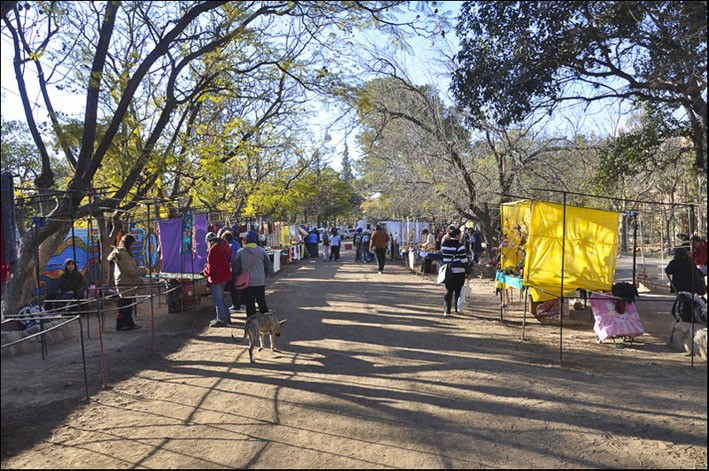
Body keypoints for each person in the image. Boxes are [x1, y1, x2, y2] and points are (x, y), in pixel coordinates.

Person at [106, 234, 146, 331]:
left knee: (126, 305)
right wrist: (141, 270)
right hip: (125, 282)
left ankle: (128, 323)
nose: (133, 246)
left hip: (126, 281)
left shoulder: (124, 253)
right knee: (125, 306)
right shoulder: (123, 254)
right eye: (132, 244)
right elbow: (130, 270)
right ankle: (123, 324)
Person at [233, 229, 273, 318]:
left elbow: (235, 267)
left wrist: (238, 275)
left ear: (246, 240)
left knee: (250, 303)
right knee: (261, 301)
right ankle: (267, 321)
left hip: (247, 282)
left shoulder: (240, 252)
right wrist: (265, 275)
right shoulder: (262, 251)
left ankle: (252, 322)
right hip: (260, 280)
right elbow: (268, 265)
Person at [203, 232, 232, 328]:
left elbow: (212, 267)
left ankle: (221, 319)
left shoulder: (214, 249)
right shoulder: (224, 246)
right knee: (222, 298)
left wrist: (205, 272)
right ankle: (226, 317)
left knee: (218, 299)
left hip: (217, 277)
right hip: (225, 275)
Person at [441, 226, 472, 316]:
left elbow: (444, 257)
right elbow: (464, 261)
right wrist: (468, 272)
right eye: (460, 235)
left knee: (448, 291)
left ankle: (447, 310)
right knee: (458, 291)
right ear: (457, 235)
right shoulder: (460, 246)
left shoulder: (444, 245)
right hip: (459, 272)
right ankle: (457, 309)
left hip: (448, 271)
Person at [221, 230, 243, 312]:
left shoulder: (231, 246)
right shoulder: (236, 243)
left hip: (233, 269)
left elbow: (231, 258)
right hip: (239, 268)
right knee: (238, 287)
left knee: (234, 288)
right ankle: (239, 304)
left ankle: (236, 306)